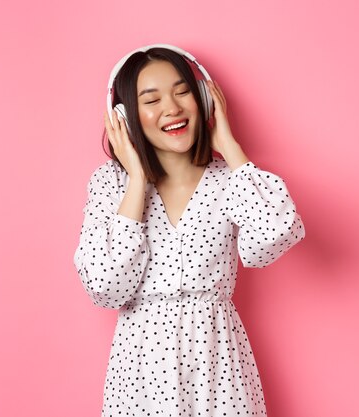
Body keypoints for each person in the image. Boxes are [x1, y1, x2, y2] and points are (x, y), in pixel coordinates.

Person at [74, 44, 305, 416]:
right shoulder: (110, 184)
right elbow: (105, 288)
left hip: (218, 366)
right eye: (151, 100)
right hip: (140, 373)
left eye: (183, 92)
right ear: (125, 117)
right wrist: (136, 180)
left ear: (205, 101)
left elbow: (275, 235)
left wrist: (230, 148)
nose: (172, 108)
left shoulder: (229, 180)